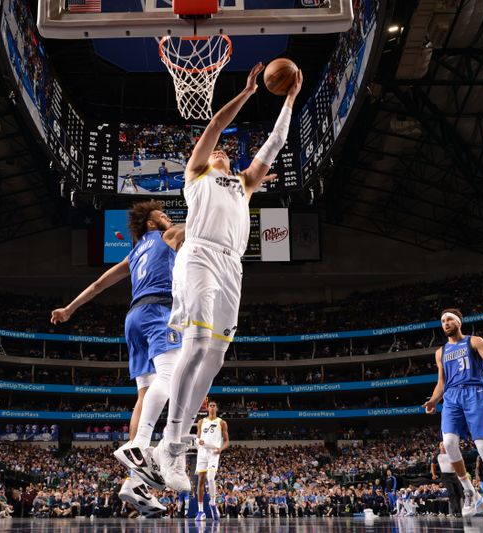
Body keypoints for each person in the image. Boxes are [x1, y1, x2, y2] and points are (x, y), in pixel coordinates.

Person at [152, 63, 303, 491]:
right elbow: (217, 124)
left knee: (215, 357)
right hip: (198, 254)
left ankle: (176, 442)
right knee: (197, 345)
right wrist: (249, 92)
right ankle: (173, 444)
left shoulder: (242, 183)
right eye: (218, 151)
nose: (222, 152)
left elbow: (274, 143)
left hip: (232, 265)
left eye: (225, 153)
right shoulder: (196, 173)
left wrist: (289, 100)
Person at [50, 200, 185, 516]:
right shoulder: (169, 235)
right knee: (172, 378)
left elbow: (99, 284)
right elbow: (204, 220)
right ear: (150, 223)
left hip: (134, 318)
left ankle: (134, 482)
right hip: (158, 312)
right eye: (162, 215)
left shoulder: (133, 253)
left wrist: (70, 308)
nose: (168, 217)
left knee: (144, 395)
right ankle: (139, 445)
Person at [422, 308, 483, 522]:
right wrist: (434, 400)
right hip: (451, 397)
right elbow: (441, 382)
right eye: (442, 320)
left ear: (458, 322)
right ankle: (470, 491)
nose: (445, 323)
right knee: (449, 443)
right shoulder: (440, 352)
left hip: (475, 393)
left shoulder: (475, 341)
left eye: (449, 319)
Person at [194, 400, 229, 521]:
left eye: (214, 405)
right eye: (210, 406)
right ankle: (200, 511)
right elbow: (197, 439)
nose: (212, 407)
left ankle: (213, 504)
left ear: (217, 408)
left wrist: (221, 449)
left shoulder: (222, 422)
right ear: (207, 408)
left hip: (214, 453)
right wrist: (199, 442)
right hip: (202, 453)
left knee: (210, 477)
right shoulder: (201, 422)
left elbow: (226, 441)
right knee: (200, 481)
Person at [431, 442, 462, 516]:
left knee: (458, 493)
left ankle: (459, 510)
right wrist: (433, 474)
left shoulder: (450, 454)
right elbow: (432, 465)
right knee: (451, 493)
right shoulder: (437, 456)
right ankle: (455, 511)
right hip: (445, 475)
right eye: (441, 445)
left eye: (444, 445)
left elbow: (457, 463)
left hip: (454, 474)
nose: (443, 446)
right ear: (439, 447)